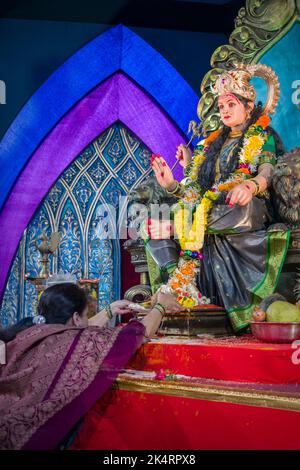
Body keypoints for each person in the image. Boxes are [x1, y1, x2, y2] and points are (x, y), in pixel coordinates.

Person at [146, 63, 290, 332]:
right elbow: (196, 192)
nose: (223, 111)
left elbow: (268, 171)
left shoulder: (262, 135)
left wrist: (250, 187)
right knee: (154, 220)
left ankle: (178, 229)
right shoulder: (212, 143)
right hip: (209, 209)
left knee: (240, 211)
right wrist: (172, 185)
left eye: (231, 105)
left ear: (249, 106)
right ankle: (177, 283)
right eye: (221, 106)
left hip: (245, 207)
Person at [0, 282, 181, 450]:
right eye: (86, 315)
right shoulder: (84, 341)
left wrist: (109, 311)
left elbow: (73, 328)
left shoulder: (27, 332)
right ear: (76, 317)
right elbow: (137, 333)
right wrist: (161, 305)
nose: (88, 320)